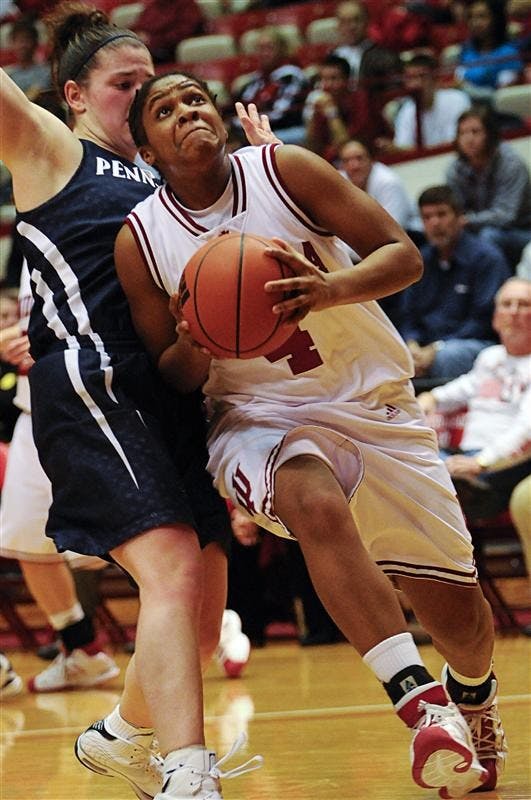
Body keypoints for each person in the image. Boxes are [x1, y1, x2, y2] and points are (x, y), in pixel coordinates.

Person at [115, 69, 508, 797]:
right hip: (258, 418)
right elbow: (170, 375)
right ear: (146, 147)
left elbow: (402, 254)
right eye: (165, 110)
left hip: (371, 401)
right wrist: (197, 337)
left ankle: (473, 696)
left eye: (196, 98)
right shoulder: (141, 242)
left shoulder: (285, 169)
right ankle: (421, 705)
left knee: (461, 620)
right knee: (308, 495)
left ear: (222, 116)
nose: (187, 112)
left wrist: (331, 288)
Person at [0, 4, 263, 799]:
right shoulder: (50, 145)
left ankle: (120, 736)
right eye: (124, 84)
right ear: (75, 95)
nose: (142, 96)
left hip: (168, 383)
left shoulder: (163, 179)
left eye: (151, 82)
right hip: (90, 377)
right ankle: (188, 772)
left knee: (208, 596)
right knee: (172, 569)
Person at [417, 276, 531, 527]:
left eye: (523, 305)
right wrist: (431, 397)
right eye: (506, 304)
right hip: (468, 458)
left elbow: (526, 430)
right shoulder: (490, 358)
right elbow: (464, 387)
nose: (513, 312)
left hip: (506, 464)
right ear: (495, 318)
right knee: (424, 459)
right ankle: (452, 479)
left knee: (456, 480)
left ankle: (456, 483)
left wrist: (482, 462)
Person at [397, 184, 511, 383]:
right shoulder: (419, 261)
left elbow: (483, 322)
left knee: (447, 357)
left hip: (474, 343)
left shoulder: (486, 258)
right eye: (427, 217)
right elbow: (408, 315)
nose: (435, 223)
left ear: (460, 217)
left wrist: (437, 347)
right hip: (426, 347)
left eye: (442, 215)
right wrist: (412, 343)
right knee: (391, 354)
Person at [446, 105, 531, 269]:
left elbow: (506, 215)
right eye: (462, 133)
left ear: (490, 134)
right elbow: (455, 208)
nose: (469, 139)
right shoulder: (455, 169)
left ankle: (497, 289)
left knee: (489, 236)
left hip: (521, 230)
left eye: (475, 132)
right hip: (478, 227)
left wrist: (466, 221)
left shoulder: (511, 164)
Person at [303, 54, 392, 163]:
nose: (327, 85)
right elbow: (312, 148)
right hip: (338, 165)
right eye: (324, 79)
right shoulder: (324, 104)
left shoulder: (362, 101)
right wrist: (312, 118)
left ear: (347, 81)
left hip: (371, 161)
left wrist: (332, 113)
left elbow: (347, 147)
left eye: (334, 79)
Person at [231, 26, 309, 147]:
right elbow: (240, 106)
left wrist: (242, 124)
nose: (263, 53)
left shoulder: (291, 75)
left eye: (269, 48)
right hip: (257, 129)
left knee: (247, 143)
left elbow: (283, 115)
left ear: (282, 49)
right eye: (260, 48)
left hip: (287, 129)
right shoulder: (255, 80)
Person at [393, 53, 471, 151]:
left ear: (435, 79)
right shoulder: (406, 111)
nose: (415, 84)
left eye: (421, 76)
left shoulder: (457, 99)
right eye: (410, 78)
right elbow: (404, 149)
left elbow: (457, 143)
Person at [455, 0, 523, 101]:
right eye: (471, 17)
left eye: (482, 17)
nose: (475, 23)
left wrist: (466, 90)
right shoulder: (466, 50)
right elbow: (458, 81)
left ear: (496, 19)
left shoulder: (509, 53)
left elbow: (501, 96)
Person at [329, 0, 401, 91]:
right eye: (344, 21)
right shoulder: (332, 56)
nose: (351, 27)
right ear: (338, 25)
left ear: (367, 22)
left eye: (356, 20)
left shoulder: (385, 58)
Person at [131, 0, 204, 65]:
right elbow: (138, 26)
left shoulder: (187, 5)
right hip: (145, 46)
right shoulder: (154, 4)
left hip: (169, 51)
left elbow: (182, 33)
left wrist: (151, 40)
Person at [4, 16, 51, 100]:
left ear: (35, 43)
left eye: (26, 40)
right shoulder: (7, 73)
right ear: (12, 44)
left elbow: (32, 96)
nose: (22, 46)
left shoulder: (46, 72)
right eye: (18, 40)